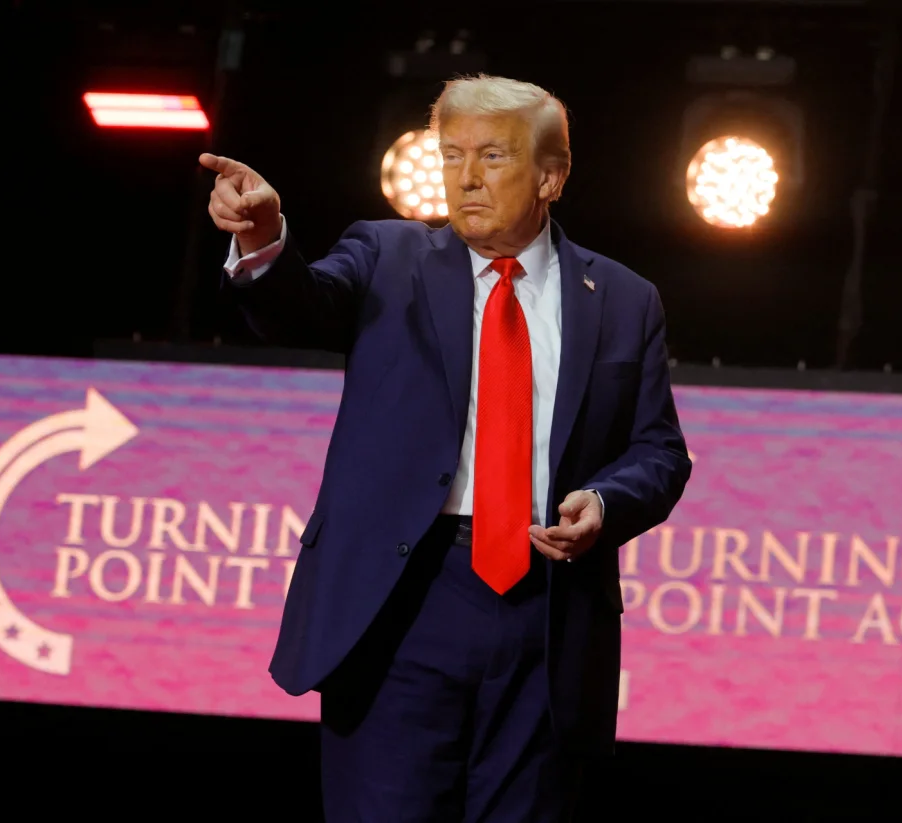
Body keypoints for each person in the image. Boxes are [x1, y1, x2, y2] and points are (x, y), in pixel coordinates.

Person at [201, 74, 691, 822]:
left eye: (491, 157)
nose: (464, 177)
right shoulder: (384, 256)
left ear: (551, 176)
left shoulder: (624, 298)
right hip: (400, 598)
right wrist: (263, 238)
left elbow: (658, 450)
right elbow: (296, 304)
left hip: (547, 609)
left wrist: (602, 501)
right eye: (451, 154)